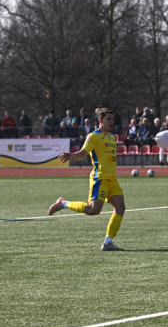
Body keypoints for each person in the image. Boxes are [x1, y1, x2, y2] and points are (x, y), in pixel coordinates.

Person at [47, 107, 126, 251]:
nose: (111, 122)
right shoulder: (93, 136)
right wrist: (72, 155)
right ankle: (63, 204)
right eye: (108, 119)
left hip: (112, 179)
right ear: (101, 120)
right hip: (100, 178)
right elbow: (83, 153)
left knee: (120, 207)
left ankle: (108, 242)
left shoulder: (111, 136)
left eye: (112, 119)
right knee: (92, 210)